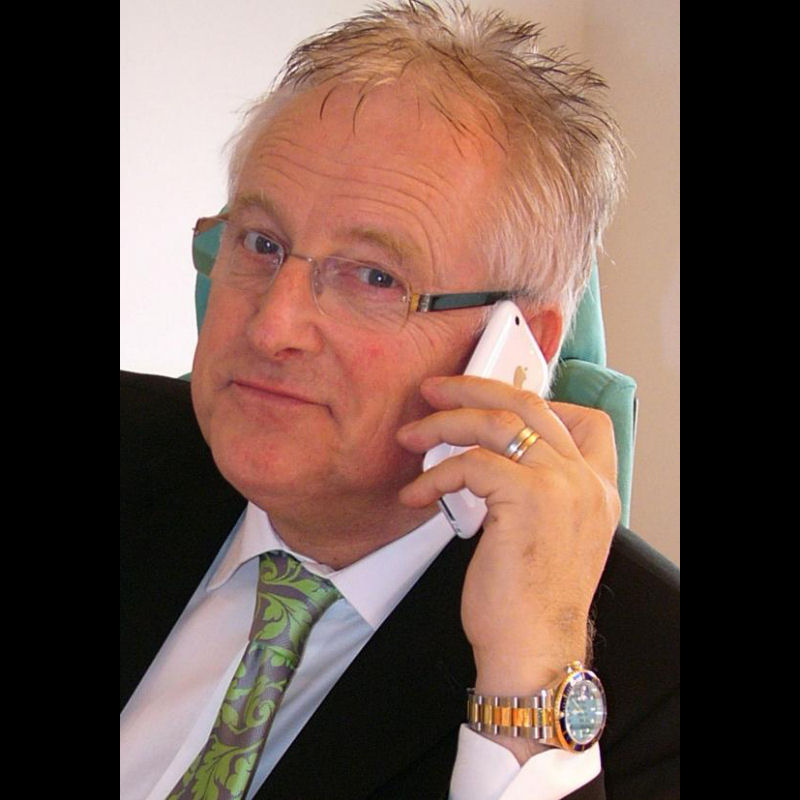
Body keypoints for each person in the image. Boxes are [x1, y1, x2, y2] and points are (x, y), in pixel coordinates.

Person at [120, 2, 679, 799]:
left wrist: (529, 677)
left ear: (520, 344)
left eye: (376, 278)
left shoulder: (655, 680)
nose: (273, 326)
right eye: (262, 243)